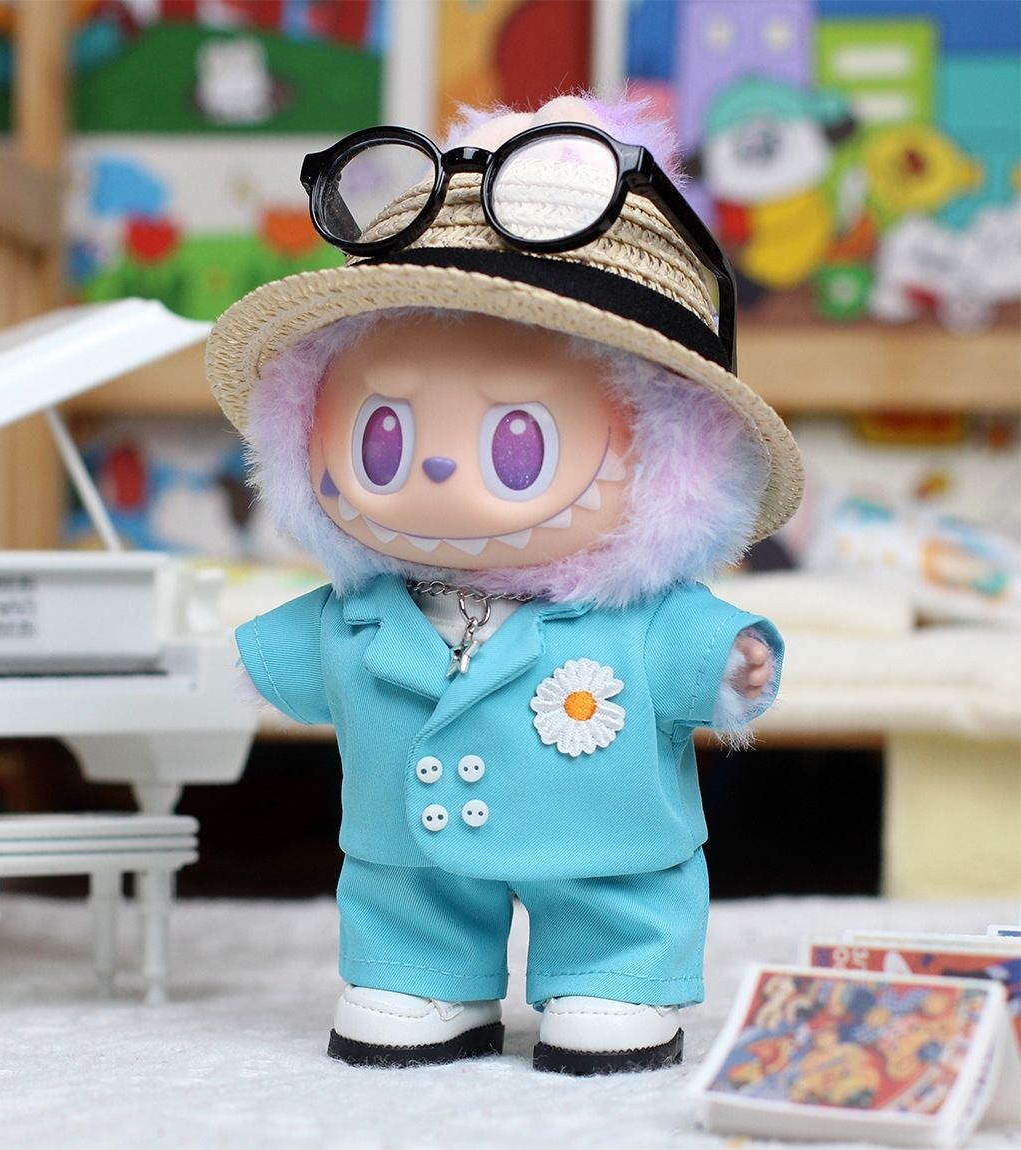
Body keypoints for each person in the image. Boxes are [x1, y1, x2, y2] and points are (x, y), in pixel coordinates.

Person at [206, 94, 804, 1075]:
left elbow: (695, 647)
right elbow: (285, 653)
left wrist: (732, 665)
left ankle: (615, 976)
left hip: (603, 839)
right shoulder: (361, 612)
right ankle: (418, 972)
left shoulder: (633, 618)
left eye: (514, 442)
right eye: (382, 435)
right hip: (407, 846)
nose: (437, 470)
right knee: (403, 896)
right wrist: (211, 666)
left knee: (618, 896)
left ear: (673, 465)